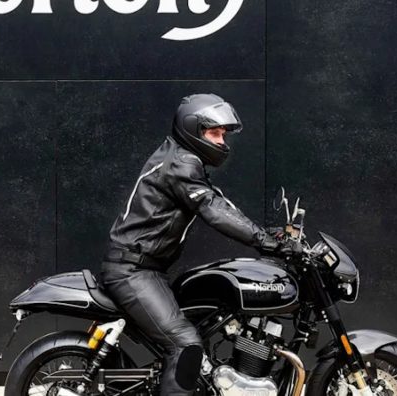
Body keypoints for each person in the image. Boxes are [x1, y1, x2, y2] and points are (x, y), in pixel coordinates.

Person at [97, 93, 286, 395]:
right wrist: (264, 241)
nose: (222, 141)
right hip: (132, 271)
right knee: (185, 343)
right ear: (192, 130)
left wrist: (269, 234)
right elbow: (214, 211)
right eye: (214, 133)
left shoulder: (183, 160)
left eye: (223, 134)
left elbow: (220, 203)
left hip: (146, 268)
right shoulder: (182, 164)